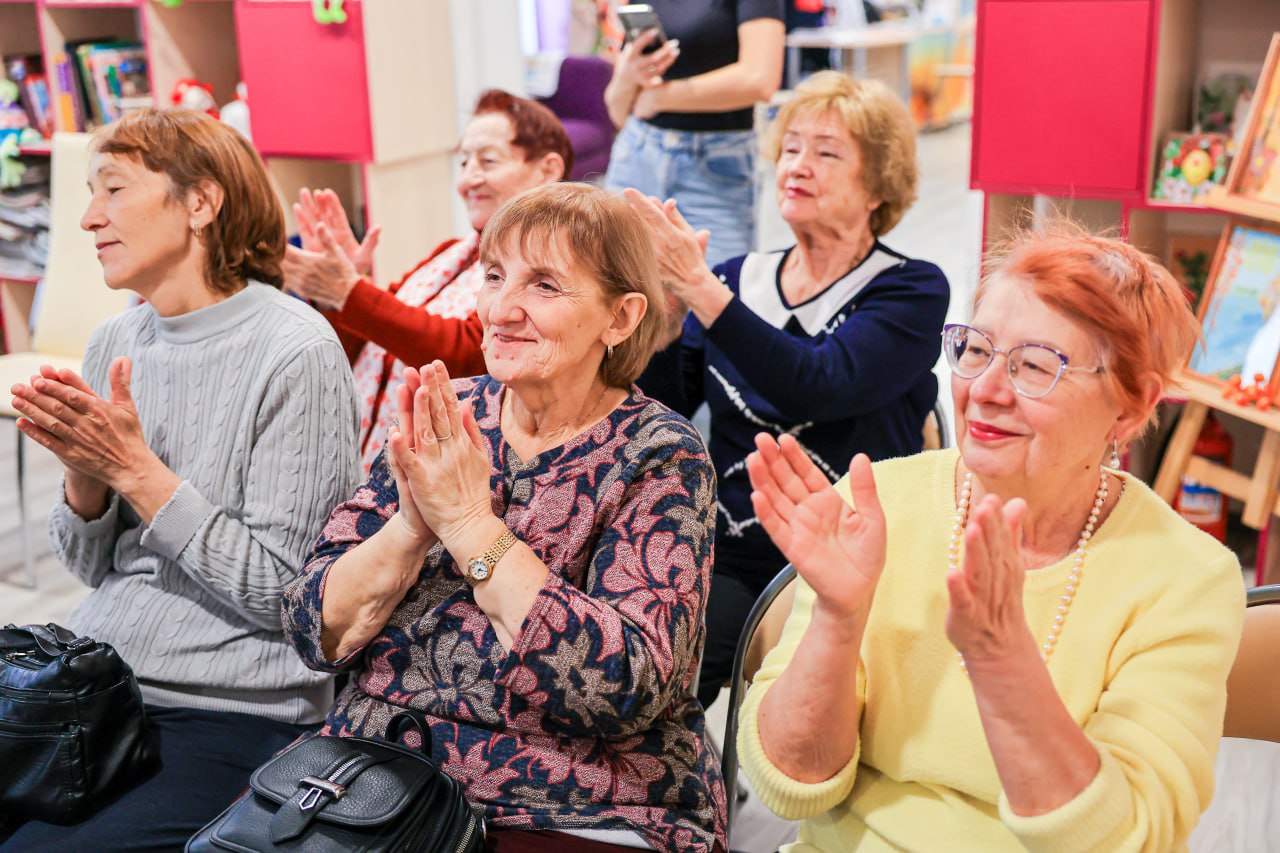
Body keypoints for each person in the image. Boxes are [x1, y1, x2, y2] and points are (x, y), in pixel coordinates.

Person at [739, 224, 1247, 850]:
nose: (985, 391)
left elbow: (1129, 838)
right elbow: (791, 781)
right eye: (975, 351)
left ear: (1129, 407)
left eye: (1035, 366)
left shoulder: (1185, 577)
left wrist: (1002, 661)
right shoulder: (880, 502)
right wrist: (840, 620)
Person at [282, 183, 727, 853]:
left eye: (545, 284)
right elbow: (312, 628)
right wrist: (410, 527)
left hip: (578, 800)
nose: (501, 308)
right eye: (494, 276)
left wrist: (469, 524)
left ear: (621, 316)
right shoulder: (446, 408)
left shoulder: (660, 457)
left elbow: (621, 686)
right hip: (380, 777)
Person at [2, 109, 360, 849]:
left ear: (200, 203)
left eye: (114, 190)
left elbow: (286, 595)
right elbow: (90, 567)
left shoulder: (296, 349)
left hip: (234, 705)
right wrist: (85, 476)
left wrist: (135, 469)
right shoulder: (116, 338)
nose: (89, 218)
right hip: (95, 680)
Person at [632, 71, 949, 708]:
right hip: (728, 554)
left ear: (877, 187)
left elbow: (818, 384)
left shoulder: (912, 289)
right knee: (654, 681)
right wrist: (664, 325)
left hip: (848, 567)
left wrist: (705, 296)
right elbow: (660, 409)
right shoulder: (732, 279)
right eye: (793, 147)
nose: (798, 165)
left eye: (827, 152)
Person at [283, 89, 573, 472]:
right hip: (356, 459)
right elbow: (364, 348)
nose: (469, 179)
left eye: (487, 161)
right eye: (464, 162)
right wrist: (337, 292)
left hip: (437, 477)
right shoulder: (451, 251)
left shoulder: (552, 265)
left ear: (548, 169)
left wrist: (350, 291)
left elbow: (468, 355)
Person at [603, 0, 785, 267]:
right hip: (638, 152)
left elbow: (760, 79)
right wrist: (629, 75)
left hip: (716, 164)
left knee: (716, 287)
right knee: (617, 278)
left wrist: (661, 98)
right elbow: (618, 111)